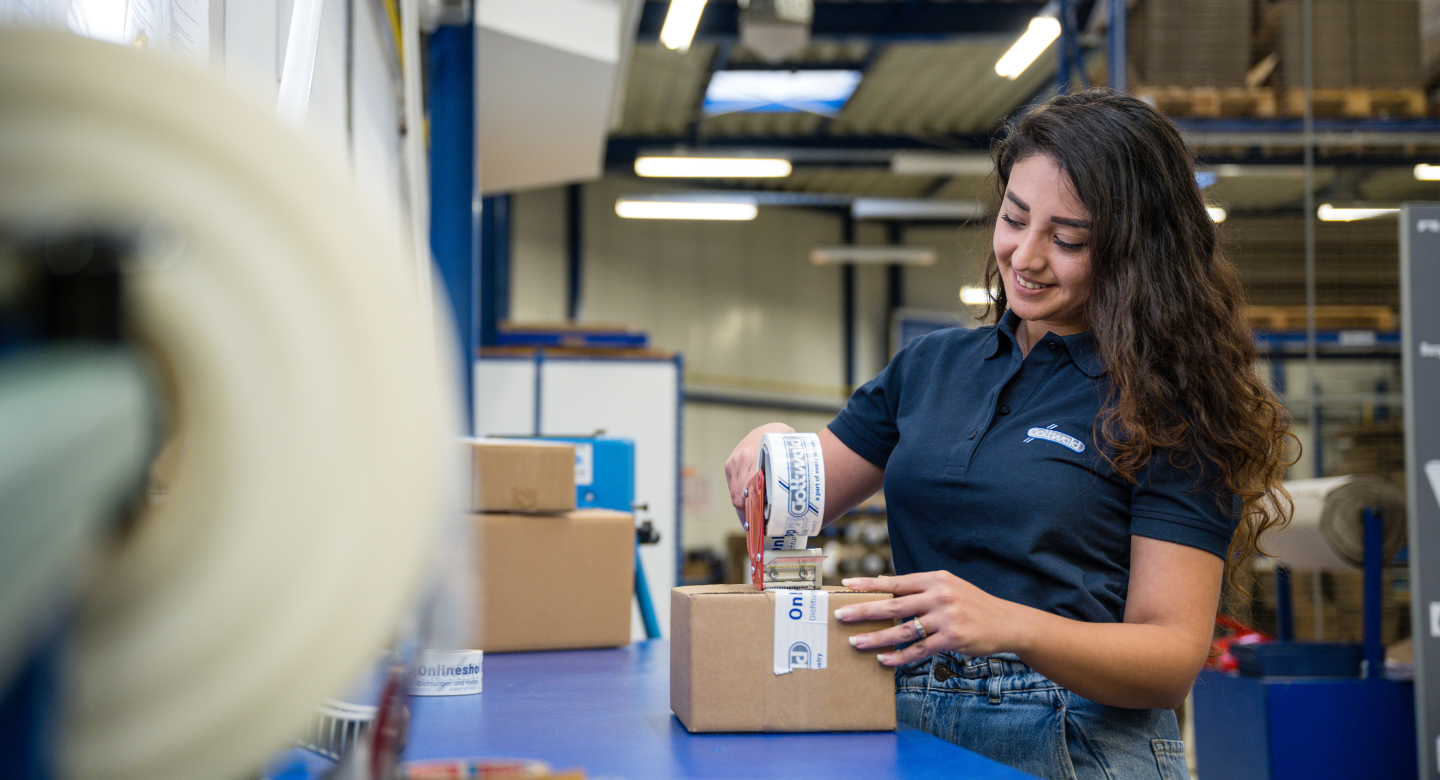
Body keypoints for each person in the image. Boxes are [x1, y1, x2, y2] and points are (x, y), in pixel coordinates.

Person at [724, 88, 1295, 780]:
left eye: (1068, 239)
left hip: (1075, 741)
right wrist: (774, 447)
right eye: (1014, 219)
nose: (1025, 257)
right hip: (909, 724)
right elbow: (802, 492)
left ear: (1135, 250)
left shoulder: (1172, 403)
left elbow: (1172, 659)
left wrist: (1010, 624)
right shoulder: (931, 368)